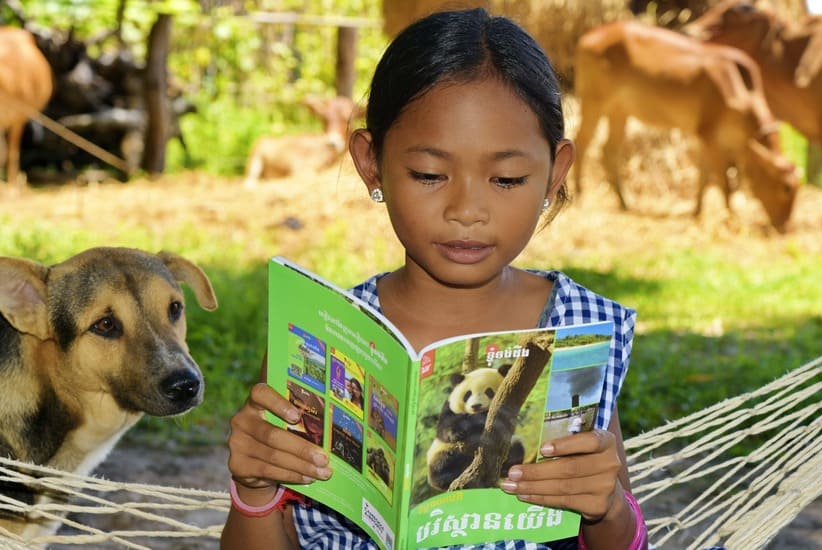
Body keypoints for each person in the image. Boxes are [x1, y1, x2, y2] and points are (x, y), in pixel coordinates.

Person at [221, 7, 644, 550]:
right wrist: (254, 489)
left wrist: (607, 507)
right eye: (428, 174)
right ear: (370, 163)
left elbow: (624, 538)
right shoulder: (323, 339)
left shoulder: (575, 334)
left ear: (554, 173)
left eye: (507, 179)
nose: (466, 209)